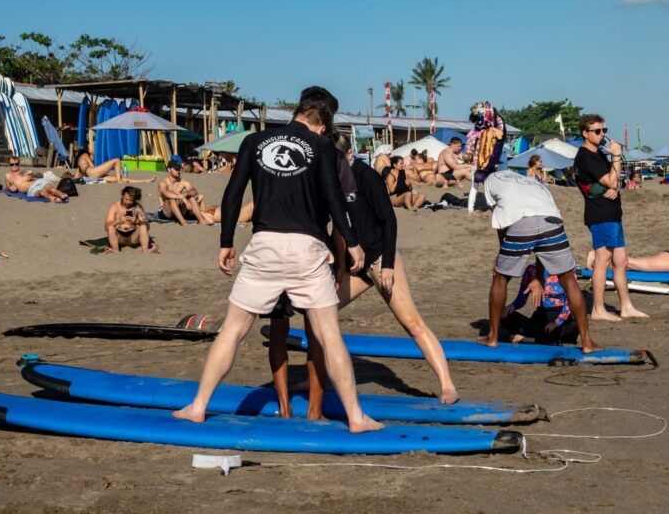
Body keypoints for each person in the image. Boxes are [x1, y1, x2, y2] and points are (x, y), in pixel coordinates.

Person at [173, 91, 381, 433]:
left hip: (264, 245)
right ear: (322, 125)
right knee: (329, 336)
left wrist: (226, 241)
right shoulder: (322, 146)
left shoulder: (255, 141)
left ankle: (197, 407)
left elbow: (233, 193)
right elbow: (334, 199)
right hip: (307, 249)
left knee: (233, 330)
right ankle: (356, 418)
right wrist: (353, 243)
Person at [268, 134, 459, 413]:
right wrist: (339, 269)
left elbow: (389, 220)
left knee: (412, 323)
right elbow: (338, 229)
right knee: (315, 314)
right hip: (355, 267)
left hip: (380, 258)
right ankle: (316, 378)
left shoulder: (367, 177)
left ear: (348, 155)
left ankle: (447, 385)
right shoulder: (329, 182)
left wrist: (389, 265)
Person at [480, 168, 601, 352]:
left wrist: (502, 257)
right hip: (552, 222)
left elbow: (501, 220)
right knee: (569, 281)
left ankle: (492, 337)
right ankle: (587, 343)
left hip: (521, 223)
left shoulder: (490, 181)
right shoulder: (533, 182)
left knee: (500, 278)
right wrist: (538, 275)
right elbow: (542, 238)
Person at [573, 114, 646, 321]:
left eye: (604, 130)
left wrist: (615, 185)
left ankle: (626, 306)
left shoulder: (598, 153)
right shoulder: (586, 156)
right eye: (597, 131)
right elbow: (611, 180)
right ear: (585, 133)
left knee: (621, 261)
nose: (602, 134)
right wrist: (616, 157)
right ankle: (598, 309)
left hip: (612, 213)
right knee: (603, 259)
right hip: (600, 214)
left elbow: (614, 180)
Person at [501, 262, 578, 344]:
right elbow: (521, 298)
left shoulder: (566, 269)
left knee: (572, 326)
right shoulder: (531, 269)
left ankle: (529, 339)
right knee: (502, 315)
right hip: (540, 316)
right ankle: (541, 339)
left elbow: (570, 301)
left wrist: (557, 322)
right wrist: (513, 306)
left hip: (560, 316)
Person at [464, 102, 505, 214]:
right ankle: (491, 207)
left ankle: (470, 209)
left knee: (475, 187)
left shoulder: (475, 135)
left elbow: (469, 150)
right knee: (486, 186)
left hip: (479, 163)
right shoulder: (488, 134)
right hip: (484, 163)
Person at [103, 186, 157, 253]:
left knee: (143, 226)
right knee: (111, 227)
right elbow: (106, 227)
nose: (128, 202)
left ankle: (145, 250)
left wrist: (136, 221)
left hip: (133, 237)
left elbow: (147, 227)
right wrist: (119, 221)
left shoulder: (138, 207)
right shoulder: (114, 207)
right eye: (126, 199)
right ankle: (115, 249)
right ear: (122, 196)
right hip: (119, 238)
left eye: (131, 200)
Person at [159, 160, 210, 224]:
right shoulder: (163, 183)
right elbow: (166, 193)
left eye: (179, 169)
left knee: (191, 198)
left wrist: (186, 194)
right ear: (169, 170)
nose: (178, 171)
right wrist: (181, 197)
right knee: (172, 199)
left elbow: (194, 191)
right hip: (166, 212)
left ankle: (201, 220)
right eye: (176, 169)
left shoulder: (183, 181)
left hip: (178, 210)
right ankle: (183, 222)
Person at [3, 157, 68, 202]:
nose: (14, 166)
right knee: (42, 193)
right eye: (12, 164)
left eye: (16, 164)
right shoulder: (7, 176)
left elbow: (39, 175)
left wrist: (33, 174)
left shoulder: (24, 172)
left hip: (38, 182)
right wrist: (10, 188)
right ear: (9, 165)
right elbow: (7, 187)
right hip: (31, 189)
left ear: (19, 164)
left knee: (50, 189)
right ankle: (53, 198)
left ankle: (61, 194)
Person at [77, 149, 153, 183]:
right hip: (92, 173)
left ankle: (145, 180)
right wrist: (102, 170)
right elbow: (92, 166)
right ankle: (119, 181)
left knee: (119, 178)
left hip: (90, 176)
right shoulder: (85, 154)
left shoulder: (79, 162)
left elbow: (76, 176)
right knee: (117, 160)